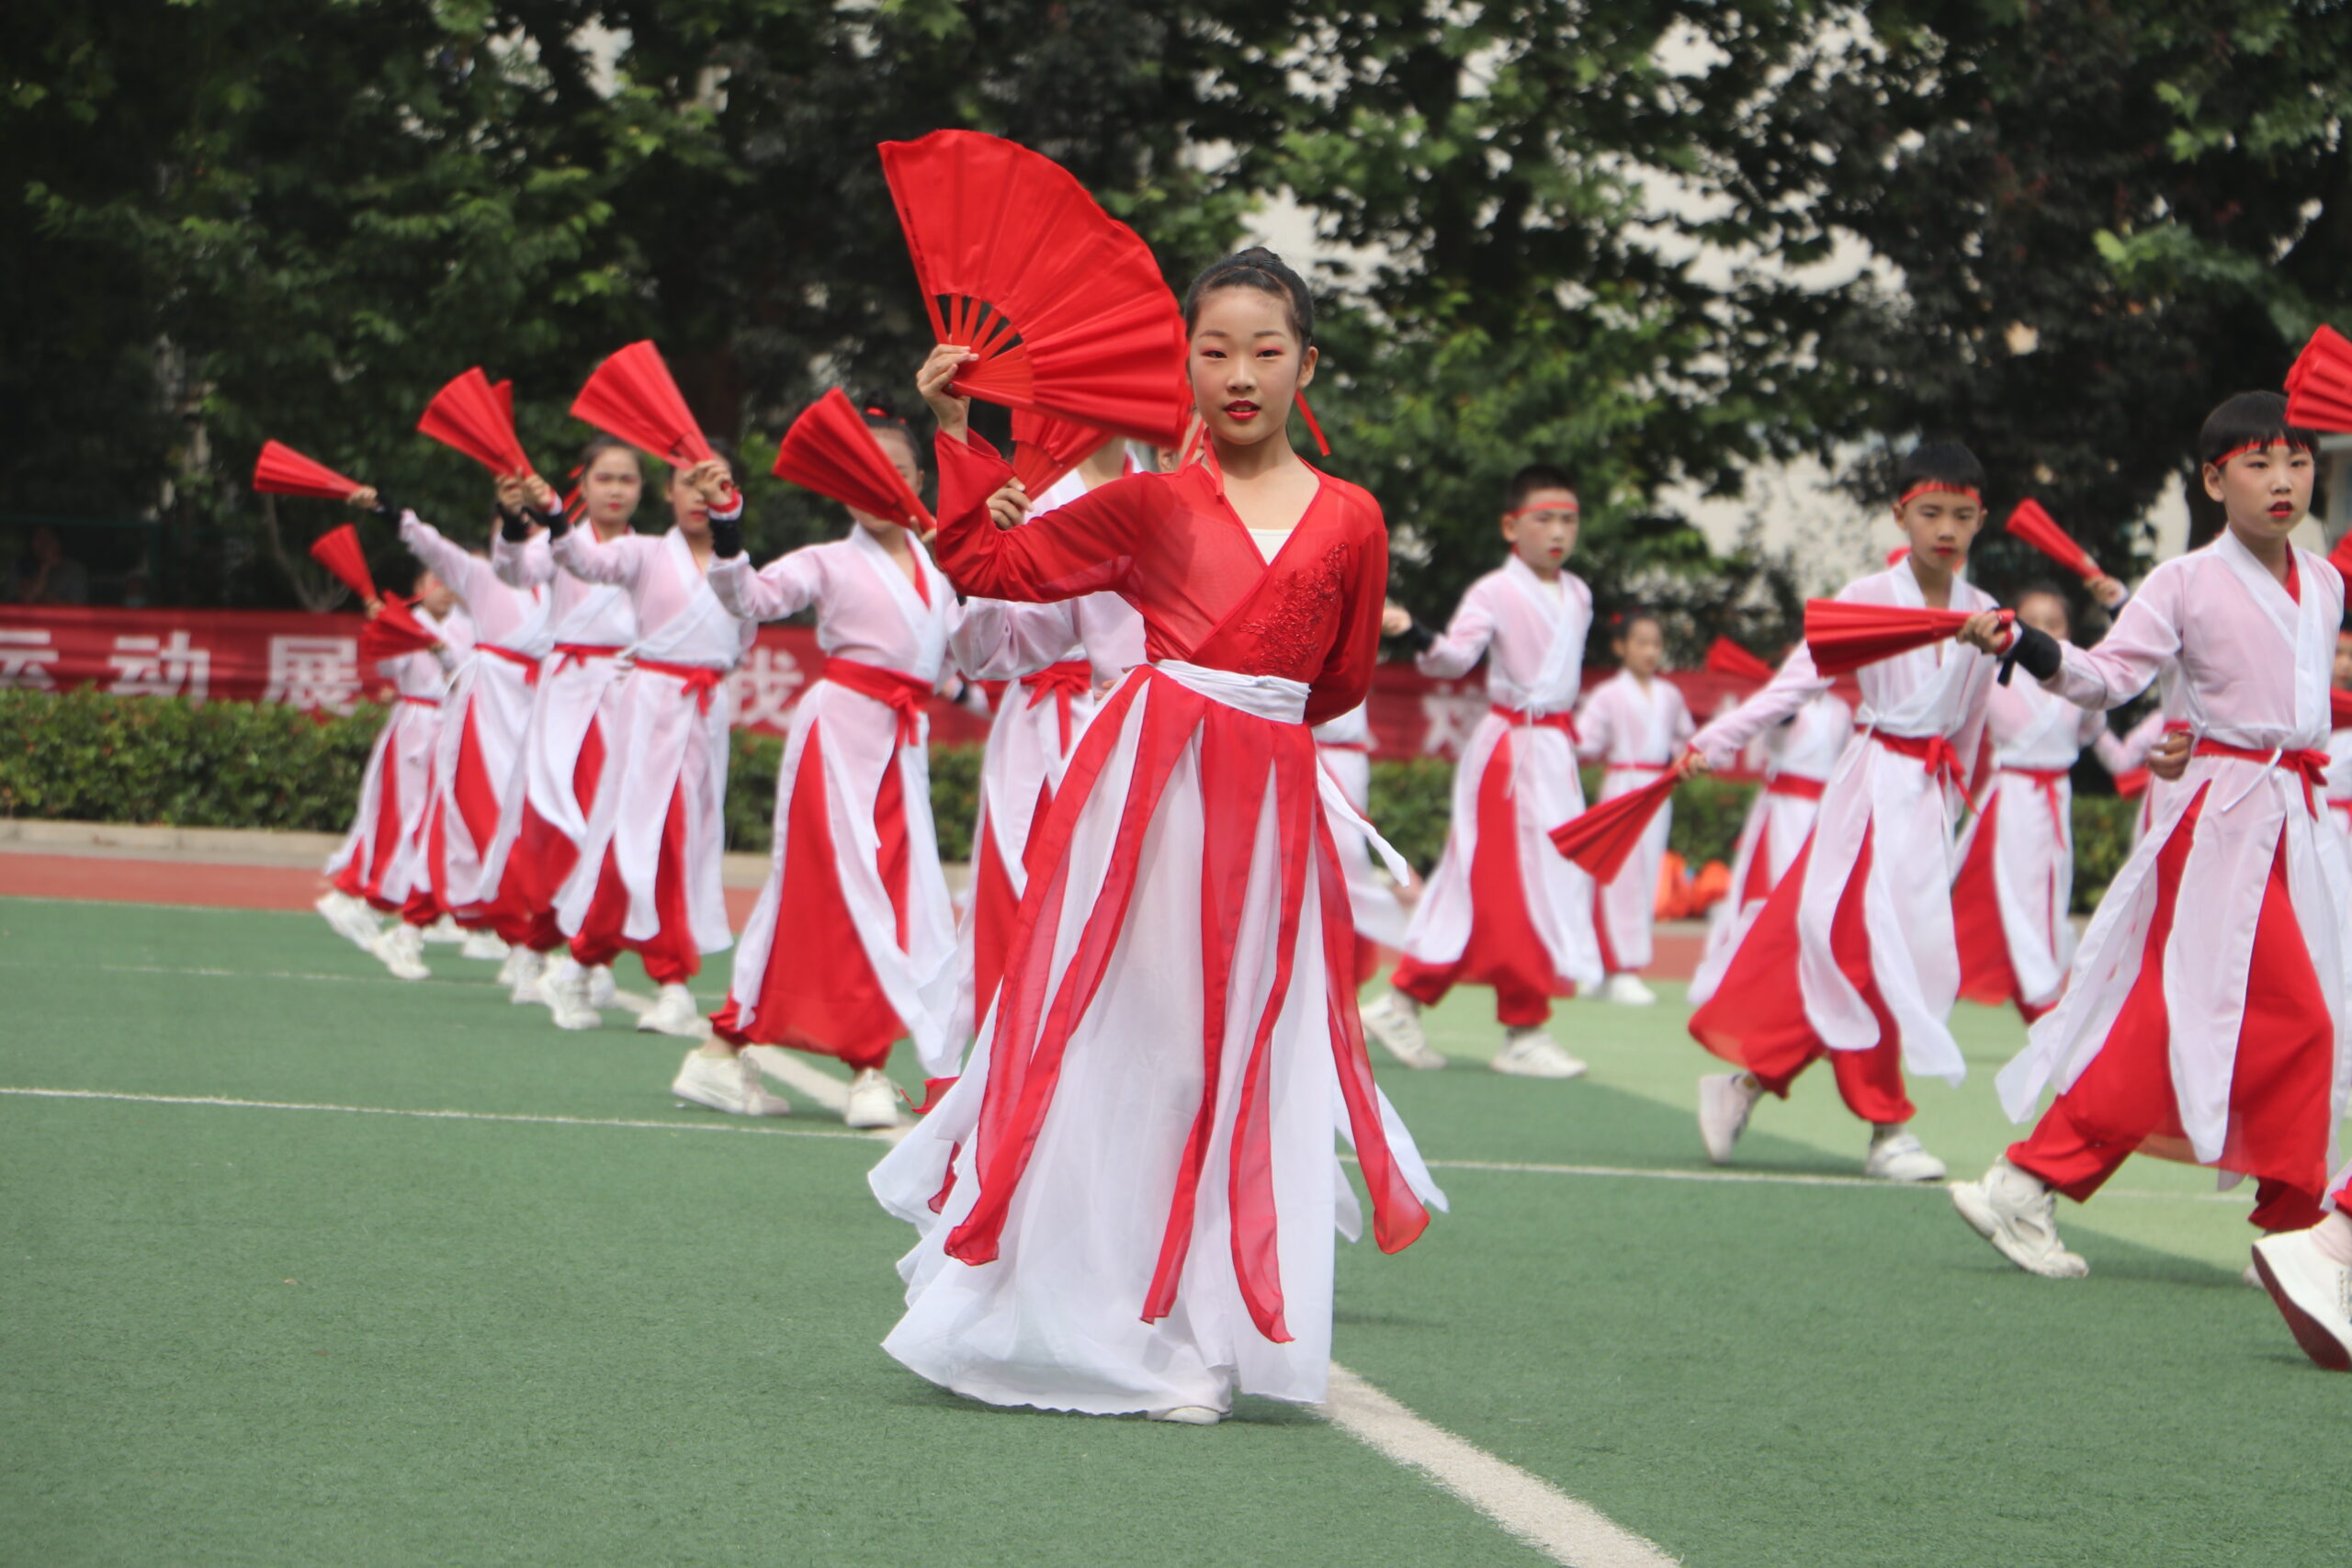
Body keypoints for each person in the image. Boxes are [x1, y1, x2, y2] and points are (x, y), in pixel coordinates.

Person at [871, 246, 1442, 1424]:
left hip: (1268, 804)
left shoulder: (1352, 517)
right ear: (1184, 366)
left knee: (1239, 1058)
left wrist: (1251, 720)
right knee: (1132, 1040)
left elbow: (1338, 679)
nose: (1239, 375)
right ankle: (1096, 1316)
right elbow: (987, 562)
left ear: (1305, 367)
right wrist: (956, 428)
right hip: (1148, 796)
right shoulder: (1150, 504)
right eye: (1214, 351)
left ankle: (1199, 1334)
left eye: (1266, 351)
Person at [1948, 396, 2352, 1370]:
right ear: (2213, 480)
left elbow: (2297, 699)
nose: (2283, 481)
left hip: (2290, 820)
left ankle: (2046, 1185)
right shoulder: (2183, 579)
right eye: (2258, 463)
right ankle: (2295, 1229)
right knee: (2277, 1022)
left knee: (2226, 1024)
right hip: (2218, 824)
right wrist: (2022, 643)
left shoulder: (2324, 582)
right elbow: (2104, 676)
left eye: (2297, 462)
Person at [1681, 442, 2025, 1181]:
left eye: (1961, 515)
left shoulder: (1983, 613)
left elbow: (1969, 722)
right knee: (1865, 955)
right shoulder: (1867, 595)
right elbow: (1795, 683)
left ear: (1981, 520)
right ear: (1900, 514)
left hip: (1925, 799)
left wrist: (1952, 802)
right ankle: (1886, 1125)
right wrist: (1716, 738)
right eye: (1930, 512)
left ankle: (1748, 1082)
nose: (1946, 529)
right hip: (1870, 789)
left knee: (1875, 957)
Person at [704, 402, 962, 1130]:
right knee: (843, 891)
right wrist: (727, 526)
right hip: (840, 736)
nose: (880, 486)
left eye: (897, 472)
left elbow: (964, 664)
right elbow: (750, 597)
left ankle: (724, 1046)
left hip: (900, 746)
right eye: (863, 473)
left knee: (899, 896)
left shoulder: (941, 568)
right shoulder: (827, 561)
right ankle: (865, 1065)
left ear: (920, 480)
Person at [1358, 466, 1601, 1078]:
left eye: (1568, 520)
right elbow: (1455, 657)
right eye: (1543, 519)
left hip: (1552, 752)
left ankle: (1407, 1002)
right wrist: (1416, 633)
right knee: (1503, 885)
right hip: (1509, 754)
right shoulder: (1494, 591)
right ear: (1511, 527)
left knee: (1526, 884)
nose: (1557, 532)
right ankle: (1521, 1027)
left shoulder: (1578, 594)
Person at [548, 447, 759, 1070]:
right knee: (636, 838)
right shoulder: (641, 553)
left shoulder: (736, 565)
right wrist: (555, 517)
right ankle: (630, 970)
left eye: (712, 485)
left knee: (682, 843)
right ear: (667, 493)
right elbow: (584, 559)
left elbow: (746, 629)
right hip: (648, 708)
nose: (698, 496)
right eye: (686, 484)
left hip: (702, 711)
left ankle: (626, 972)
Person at [940, 436, 1148, 1067]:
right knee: (1027, 902)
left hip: (1168, 740)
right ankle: (1011, 1077)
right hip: (1049, 727)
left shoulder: (1189, 495)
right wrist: (980, 554)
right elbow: (992, 648)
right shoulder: (1033, 492)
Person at [486, 441, 642, 1021]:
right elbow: (513, 571)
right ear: (584, 485)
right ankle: (535, 946)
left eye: (627, 479)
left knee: (613, 827)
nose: (616, 489)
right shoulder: (557, 542)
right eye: (605, 478)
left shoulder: (651, 552)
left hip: (623, 694)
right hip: (567, 696)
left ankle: (587, 954)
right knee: (554, 825)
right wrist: (512, 522)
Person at [368, 480, 553, 967]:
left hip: (539, 711)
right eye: (510, 525)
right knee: (482, 821)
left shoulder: (561, 584)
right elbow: (434, 548)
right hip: (487, 711)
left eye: (532, 526)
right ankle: (520, 944)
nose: (523, 535)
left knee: (523, 828)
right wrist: (396, 516)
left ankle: (426, 928)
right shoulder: (480, 576)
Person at [1949, 581, 2125, 1021]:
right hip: (2012, 801)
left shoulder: (2079, 681)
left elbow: (2096, 736)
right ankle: (2038, 995)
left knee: (2047, 893)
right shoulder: (1989, 677)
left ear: (2069, 630)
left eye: (2054, 623)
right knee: (2002, 894)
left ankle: (2044, 991)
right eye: (2033, 622)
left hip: (2054, 800)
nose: (2043, 630)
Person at [316, 571, 465, 981]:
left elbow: (464, 674)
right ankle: (363, 894)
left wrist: (441, 651)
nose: (444, 590)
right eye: (435, 582)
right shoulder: (409, 624)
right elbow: (387, 665)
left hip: (451, 725)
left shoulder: (464, 627)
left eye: (448, 582)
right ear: (418, 589)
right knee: (403, 815)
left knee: (436, 821)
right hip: (416, 723)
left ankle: (412, 902)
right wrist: (386, 627)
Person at [1686, 666, 1851, 1007]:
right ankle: (1745, 975)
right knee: (1771, 890)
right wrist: (1787, 701)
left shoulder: (1841, 711)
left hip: (1822, 814)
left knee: (1815, 896)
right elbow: (1775, 724)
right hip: (1783, 813)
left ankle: (1801, 978)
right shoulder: (1785, 703)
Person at [1574, 610, 1694, 1006]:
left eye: (1656, 643)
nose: (1649, 651)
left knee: (1645, 878)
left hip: (1656, 790)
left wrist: (1683, 759)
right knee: (1617, 877)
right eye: (1641, 642)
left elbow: (1686, 739)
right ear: (1621, 647)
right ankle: (1612, 967)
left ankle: (1621, 967)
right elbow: (1587, 741)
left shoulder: (1670, 695)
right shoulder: (1608, 695)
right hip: (1622, 786)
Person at [1313, 700, 1412, 987]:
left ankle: (1344, 977)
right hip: (1314, 745)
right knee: (1332, 868)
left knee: (1341, 871)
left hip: (1348, 757)